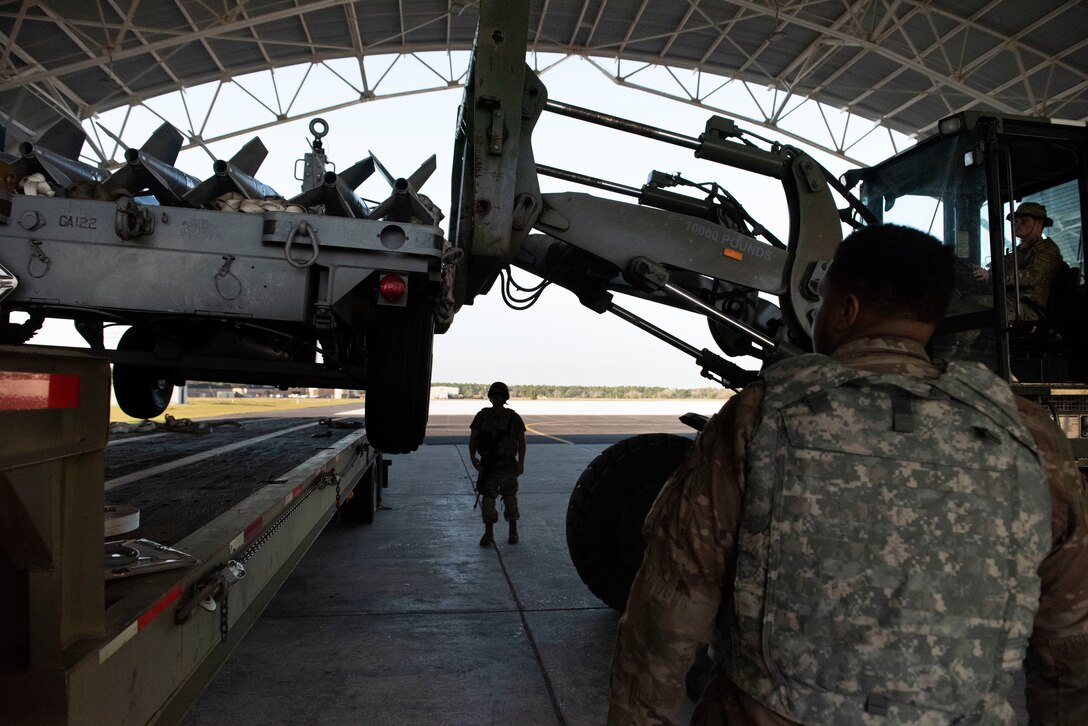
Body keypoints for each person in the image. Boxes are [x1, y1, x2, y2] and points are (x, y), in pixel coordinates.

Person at [608, 224, 1088, 725]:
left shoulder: (762, 415)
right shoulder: (1027, 434)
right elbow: (1071, 640)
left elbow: (670, 607)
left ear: (847, 309)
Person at [971, 201, 1065, 322]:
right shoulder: (1017, 252)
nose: (1016, 223)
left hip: (1029, 309)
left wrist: (992, 275)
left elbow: (1032, 276)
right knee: (965, 302)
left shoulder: (1047, 249)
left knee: (976, 306)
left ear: (1039, 223)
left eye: (1024, 220)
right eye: (1015, 220)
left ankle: (960, 342)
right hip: (1010, 302)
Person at [469, 381, 527, 546]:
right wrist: (473, 458)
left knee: (510, 500)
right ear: (490, 397)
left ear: (505, 397)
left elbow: (522, 442)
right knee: (488, 500)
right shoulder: (482, 416)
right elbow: (473, 439)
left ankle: (513, 531)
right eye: (494, 394)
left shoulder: (513, 417)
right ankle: (488, 533)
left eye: (500, 395)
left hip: (508, 465)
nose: (497, 397)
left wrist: (520, 463)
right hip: (488, 466)